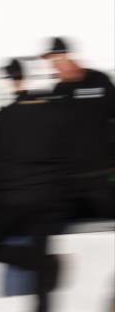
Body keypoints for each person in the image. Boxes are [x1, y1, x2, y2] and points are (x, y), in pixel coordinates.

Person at [0, 58, 69, 312]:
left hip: (14, 196)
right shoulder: (55, 112)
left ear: (13, 81)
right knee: (39, 250)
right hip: (48, 196)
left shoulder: (5, 116)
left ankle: (40, 262)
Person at [42, 37, 115, 220]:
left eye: (55, 61)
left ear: (65, 56)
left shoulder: (99, 80)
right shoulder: (59, 90)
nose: (53, 67)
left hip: (101, 177)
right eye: (51, 63)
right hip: (71, 182)